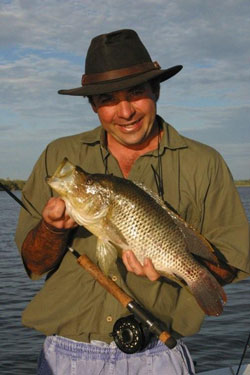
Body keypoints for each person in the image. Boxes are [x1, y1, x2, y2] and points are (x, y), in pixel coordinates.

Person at [15, 29, 250, 375]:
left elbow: (233, 265)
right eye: (108, 98)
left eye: (136, 93)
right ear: (93, 103)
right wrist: (51, 228)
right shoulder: (59, 155)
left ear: (156, 90)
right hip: (66, 354)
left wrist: (180, 267)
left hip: (158, 352)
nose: (124, 111)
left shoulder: (205, 162)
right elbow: (33, 264)